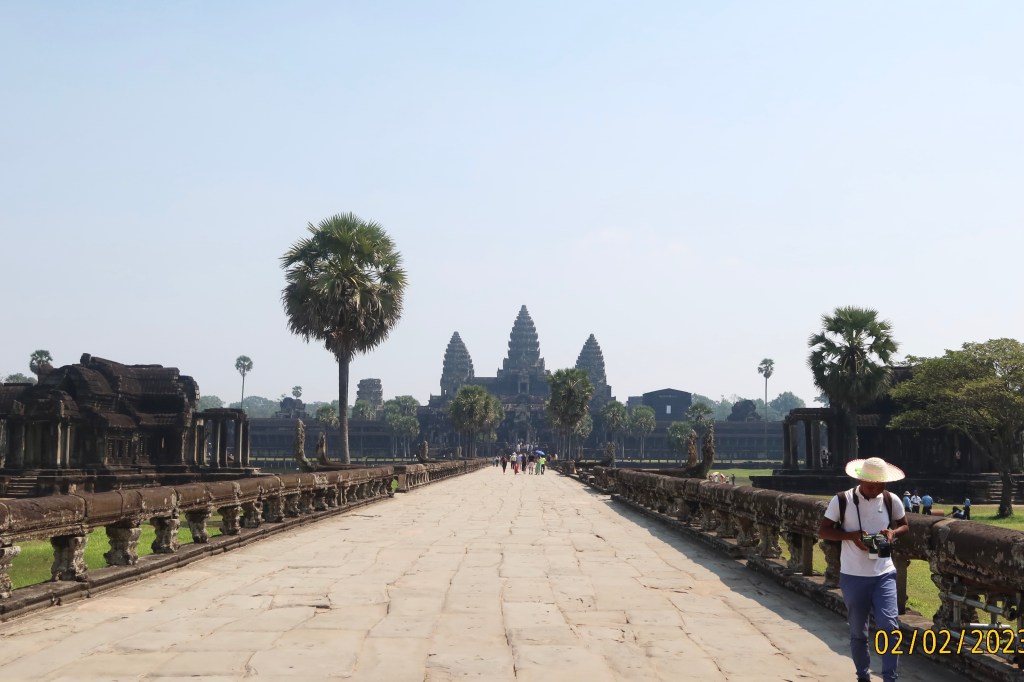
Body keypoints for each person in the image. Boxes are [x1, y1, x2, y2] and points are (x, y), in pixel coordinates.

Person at [818, 456, 908, 682]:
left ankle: (890, 677)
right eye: (871, 485)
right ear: (860, 480)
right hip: (853, 574)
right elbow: (824, 530)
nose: (876, 489)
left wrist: (892, 533)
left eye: (880, 485)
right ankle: (863, 675)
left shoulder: (891, 499)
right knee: (859, 630)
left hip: (884, 572)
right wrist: (852, 536)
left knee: (890, 626)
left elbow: (904, 525)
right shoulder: (842, 500)